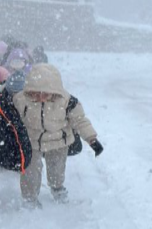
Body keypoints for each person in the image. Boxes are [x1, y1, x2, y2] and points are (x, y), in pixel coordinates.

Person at [12, 64, 104, 209]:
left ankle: (57, 187)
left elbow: (80, 120)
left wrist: (91, 139)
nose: (41, 98)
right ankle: (29, 198)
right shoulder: (21, 99)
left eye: (45, 94)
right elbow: (9, 116)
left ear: (55, 91)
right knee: (30, 169)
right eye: (36, 94)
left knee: (57, 167)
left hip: (59, 140)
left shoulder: (67, 102)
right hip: (31, 141)